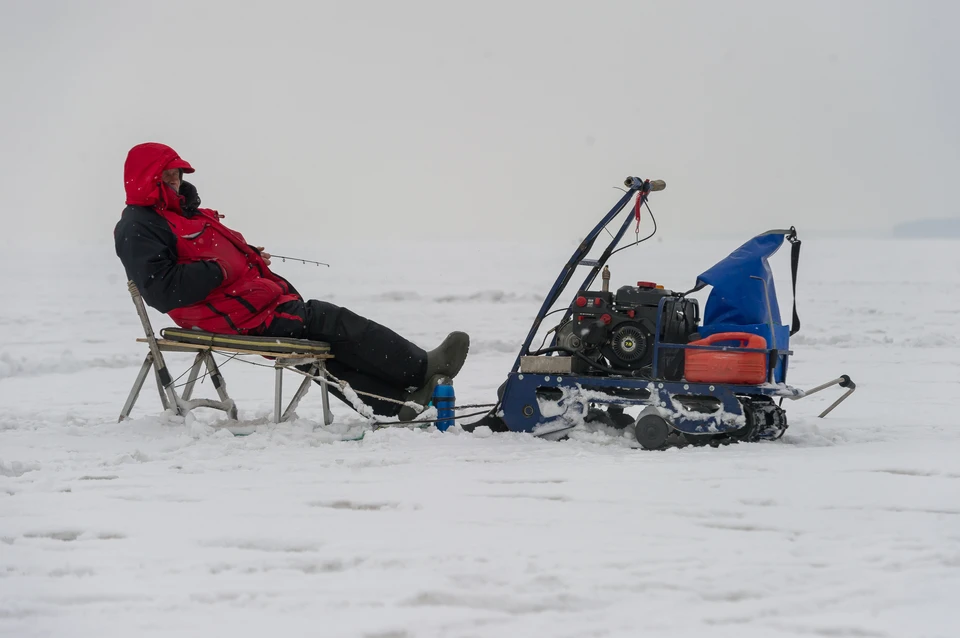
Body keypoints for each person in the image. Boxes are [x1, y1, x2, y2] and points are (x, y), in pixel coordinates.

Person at [114, 142, 469, 420]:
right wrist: (223, 267)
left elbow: (203, 254)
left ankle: (398, 405)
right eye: (168, 176)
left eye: (178, 174)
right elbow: (161, 288)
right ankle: (422, 367)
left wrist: (247, 255)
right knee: (326, 320)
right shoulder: (139, 226)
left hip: (246, 307)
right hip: (229, 318)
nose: (176, 182)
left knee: (320, 342)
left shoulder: (179, 216)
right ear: (149, 178)